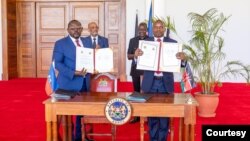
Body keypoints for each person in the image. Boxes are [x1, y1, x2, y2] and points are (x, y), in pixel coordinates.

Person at [135, 20, 186, 141]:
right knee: (152, 115)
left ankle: (162, 139)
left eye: (160, 27)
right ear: (152, 29)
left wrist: (183, 59)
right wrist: (136, 57)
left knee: (164, 115)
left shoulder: (173, 44)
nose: (158, 29)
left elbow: (181, 64)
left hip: (165, 82)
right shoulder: (145, 43)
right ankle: (153, 139)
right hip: (150, 83)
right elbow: (139, 63)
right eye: (156, 27)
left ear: (164, 29)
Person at [52, 20, 94, 141]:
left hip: (85, 82)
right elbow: (57, 63)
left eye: (78, 28)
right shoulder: (60, 43)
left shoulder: (86, 42)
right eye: (72, 28)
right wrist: (74, 73)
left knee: (82, 112)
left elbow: (92, 59)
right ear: (68, 30)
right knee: (66, 114)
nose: (76, 30)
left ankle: (79, 137)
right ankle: (65, 137)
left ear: (81, 29)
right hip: (67, 83)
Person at [127, 22, 148, 123]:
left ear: (147, 30)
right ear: (138, 30)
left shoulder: (151, 40)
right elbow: (128, 56)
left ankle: (147, 115)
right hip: (135, 70)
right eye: (140, 29)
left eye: (144, 29)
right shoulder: (133, 40)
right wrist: (134, 55)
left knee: (147, 92)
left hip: (147, 71)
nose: (142, 31)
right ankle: (137, 116)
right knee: (136, 93)